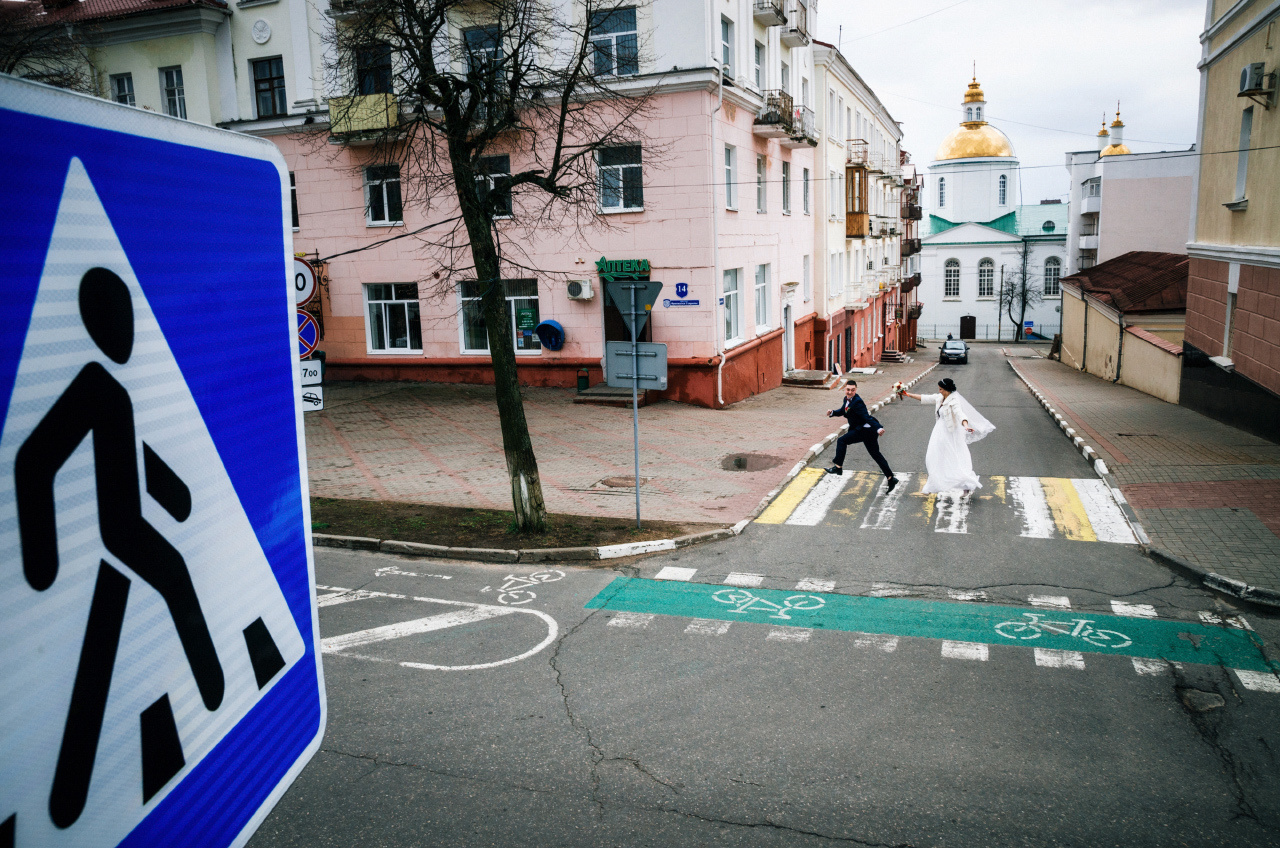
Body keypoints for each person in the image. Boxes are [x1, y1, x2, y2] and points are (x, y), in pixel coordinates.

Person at [900, 377, 994, 495]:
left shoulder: (954, 401)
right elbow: (925, 398)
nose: (939, 391)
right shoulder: (940, 397)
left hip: (950, 434)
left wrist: (965, 425)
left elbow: (960, 414)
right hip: (939, 432)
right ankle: (933, 484)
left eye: (941, 389)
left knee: (954, 458)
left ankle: (966, 484)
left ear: (947, 389)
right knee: (934, 457)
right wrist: (907, 394)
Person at [825, 381, 899, 492]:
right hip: (866, 430)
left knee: (842, 441)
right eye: (848, 389)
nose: (850, 392)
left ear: (856, 390)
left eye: (852, 390)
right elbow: (843, 411)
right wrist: (832, 413)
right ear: (845, 389)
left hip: (866, 430)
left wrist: (878, 428)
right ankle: (890, 478)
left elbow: (866, 417)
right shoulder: (847, 399)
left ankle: (838, 467)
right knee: (876, 454)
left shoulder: (857, 402)